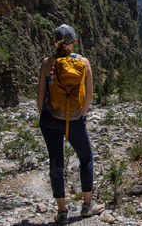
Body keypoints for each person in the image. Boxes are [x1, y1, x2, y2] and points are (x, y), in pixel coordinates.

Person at [37, 24, 96, 224]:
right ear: (74, 42)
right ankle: (87, 205)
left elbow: (40, 96)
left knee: (56, 162)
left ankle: (62, 211)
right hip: (75, 119)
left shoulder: (47, 63)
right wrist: (82, 115)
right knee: (85, 158)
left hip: (50, 119)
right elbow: (88, 95)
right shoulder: (83, 62)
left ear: (54, 42)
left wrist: (46, 116)